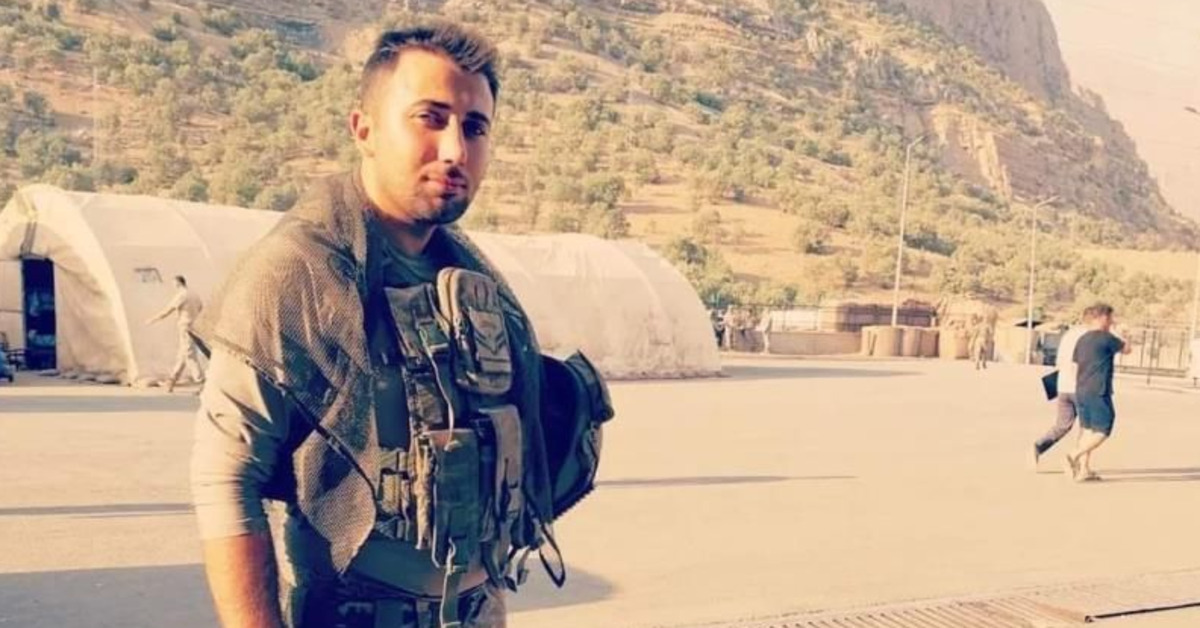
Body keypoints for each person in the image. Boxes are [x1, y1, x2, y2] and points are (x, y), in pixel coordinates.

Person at [190, 23, 612, 628]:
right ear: (363, 129)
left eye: (475, 127)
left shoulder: (473, 278)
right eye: (429, 118)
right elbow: (226, 479)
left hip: (478, 609)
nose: (455, 150)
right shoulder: (298, 274)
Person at [1065, 303, 1131, 482]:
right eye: (1110, 318)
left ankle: (1084, 470)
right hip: (1099, 389)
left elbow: (1075, 366)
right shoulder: (1106, 338)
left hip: (1081, 389)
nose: (1112, 321)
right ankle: (1073, 455)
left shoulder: (1082, 339)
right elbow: (1127, 349)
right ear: (1102, 318)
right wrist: (1124, 335)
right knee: (1104, 428)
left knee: (1088, 429)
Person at [1031, 313, 1089, 468]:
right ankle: (1078, 462)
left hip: (1063, 385)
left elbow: (1058, 362)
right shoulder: (1089, 337)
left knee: (1062, 425)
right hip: (1081, 387)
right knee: (1087, 427)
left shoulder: (1068, 335)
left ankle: (1038, 446)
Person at [146, 274, 205, 393]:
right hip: (193, 326)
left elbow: (168, 309)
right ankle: (171, 381)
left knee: (189, 355)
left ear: (178, 283)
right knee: (182, 355)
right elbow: (200, 308)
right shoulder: (194, 295)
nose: (173, 286)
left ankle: (201, 381)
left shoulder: (182, 295)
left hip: (185, 327)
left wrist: (154, 319)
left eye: (173, 283)